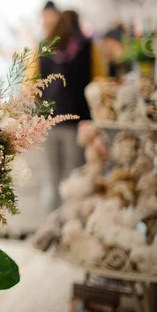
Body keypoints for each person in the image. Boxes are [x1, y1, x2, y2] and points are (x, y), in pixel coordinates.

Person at [40, 11, 96, 209]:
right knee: (74, 177)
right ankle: (70, 229)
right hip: (75, 121)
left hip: (49, 120)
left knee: (53, 178)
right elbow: (93, 81)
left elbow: (36, 84)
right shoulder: (86, 47)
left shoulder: (45, 46)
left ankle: (51, 228)